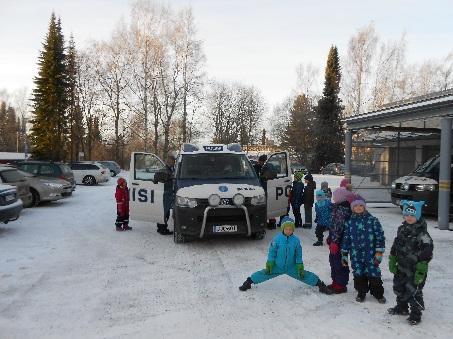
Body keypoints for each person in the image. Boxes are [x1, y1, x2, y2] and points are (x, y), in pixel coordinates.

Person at [238, 216, 332, 295]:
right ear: (283, 228)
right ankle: (249, 282)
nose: (288, 231)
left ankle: (320, 284)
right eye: (286, 229)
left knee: (304, 275)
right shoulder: (277, 239)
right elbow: (272, 251)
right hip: (277, 266)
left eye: (290, 229)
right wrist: (270, 262)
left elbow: (298, 253)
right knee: (264, 273)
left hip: (291, 266)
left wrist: (299, 264)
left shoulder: (295, 240)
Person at [388, 200, 433, 325]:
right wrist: (392, 257)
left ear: (418, 216)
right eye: (407, 215)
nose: (409, 217)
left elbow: (428, 249)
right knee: (399, 287)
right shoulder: (401, 229)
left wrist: (422, 265)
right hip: (402, 266)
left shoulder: (422, 233)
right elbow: (396, 244)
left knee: (413, 291)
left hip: (415, 268)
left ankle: (415, 314)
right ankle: (402, 308)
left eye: (412, 215)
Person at [341, 197, 386, 303]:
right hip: (356, 255)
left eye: (361, 205)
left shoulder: (373, 220)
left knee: (374, 272)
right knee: (358, 272)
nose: (358, 208)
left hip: (371, 254)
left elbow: (380, 236)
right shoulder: (349, 222)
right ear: (352, 208)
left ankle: (378, 293)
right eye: (355, 206)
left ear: (364, 207)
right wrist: (344, 254)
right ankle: (361, 292)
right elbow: (346, 238)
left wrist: (379, 252)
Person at [326, 187, 352, 294]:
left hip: (341, 242)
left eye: (335, 196)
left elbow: (338, 227)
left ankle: (341, 284)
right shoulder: (338, 207)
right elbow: (333, 226)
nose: (333, 198)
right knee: (333, 261)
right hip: (336, 240)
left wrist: (334, 241)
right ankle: (336, 281)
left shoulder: (343, 210)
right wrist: (330, 237)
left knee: (340, 263)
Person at [157, 155, 176, 235]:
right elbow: (156, 180)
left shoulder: (170, 169)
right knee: (165, 212)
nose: (174, 163)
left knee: (164, 212)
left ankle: (160, 227)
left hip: (167, 194)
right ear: (169, 161)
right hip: (165, 194)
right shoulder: (164, 170)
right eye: (173, 161)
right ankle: (162, 229)